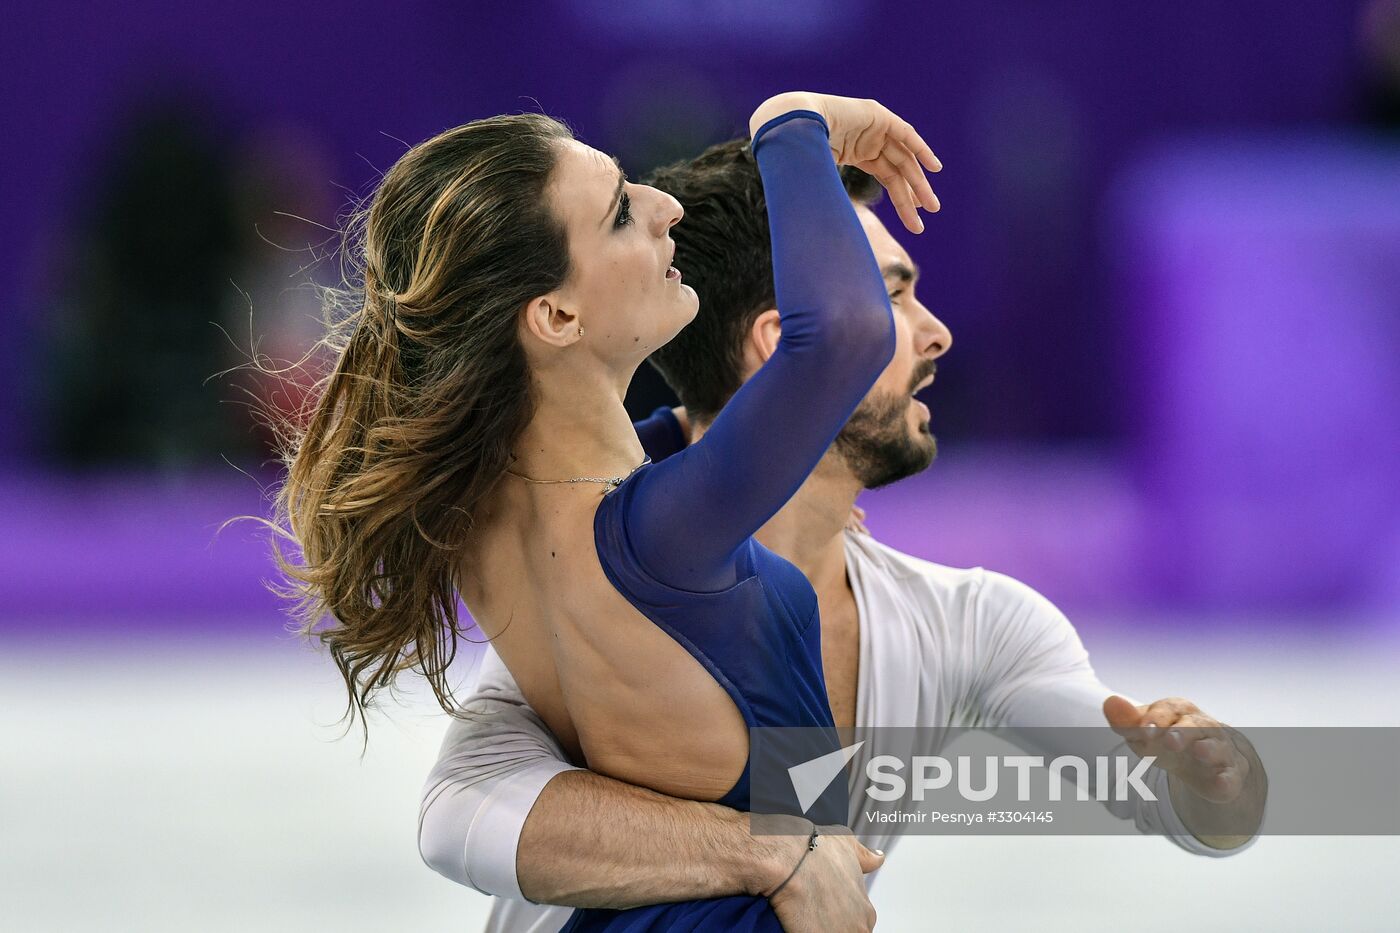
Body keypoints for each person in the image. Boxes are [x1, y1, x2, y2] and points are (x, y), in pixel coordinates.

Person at [417, 138, 1267, 932]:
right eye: (893, 295)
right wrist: (767, 850)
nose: (936, 333)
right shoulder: (594, 564)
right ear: (789, 346)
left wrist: (1213, 781)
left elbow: (1173, 801)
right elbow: (459, 811)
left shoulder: (970, 622)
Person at [267, 91, 944, 932]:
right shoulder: (661, 533)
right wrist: (791, 125)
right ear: (555, 315)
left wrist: (809, 833)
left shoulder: (476, 517)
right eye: (624, 212)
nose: (669, 210)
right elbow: (844, 333)